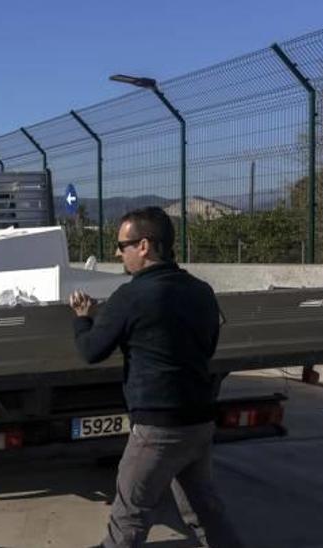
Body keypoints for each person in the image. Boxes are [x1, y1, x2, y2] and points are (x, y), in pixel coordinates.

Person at [68, 206, 242, 548]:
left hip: (157, 430)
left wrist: (82, 318)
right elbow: (208, 346)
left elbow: (91, 351)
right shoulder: (201, 290)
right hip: (199, 422)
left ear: (144, 246)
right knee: (204, 513)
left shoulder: (131, 295)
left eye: (123, 244)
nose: (118, 253)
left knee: (129, 519)